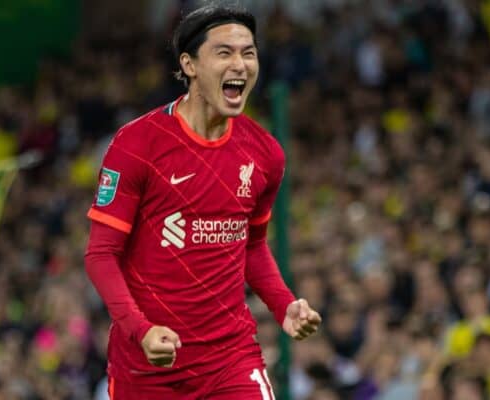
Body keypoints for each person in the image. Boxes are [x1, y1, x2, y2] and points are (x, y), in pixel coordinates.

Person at [84, 5, 321, 399]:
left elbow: (252, 246)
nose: (240, 65)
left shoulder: (265, 154)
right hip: (147, 369)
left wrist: (284, 305)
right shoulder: (138, 145)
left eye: (249, 53)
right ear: (189, 65)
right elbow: (101, 254)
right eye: (224, 53)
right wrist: (140, 330)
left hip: (231, 360)